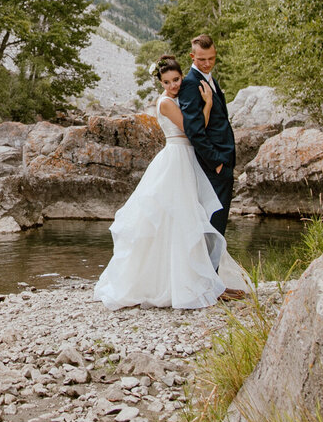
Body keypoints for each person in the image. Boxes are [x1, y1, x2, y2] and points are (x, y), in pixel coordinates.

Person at [93, 55, 251, 310]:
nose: (173, 85)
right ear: (161, 83)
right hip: (177, 158)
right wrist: (208, 104)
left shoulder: (179, 97)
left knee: (188, 218)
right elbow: (192, 128)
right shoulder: (166, 103)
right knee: (175, 218)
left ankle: (196, 277)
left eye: (176, 79)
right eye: (167, 82)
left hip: (188, 158)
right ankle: (171, 282)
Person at [178, 34, 237, 238]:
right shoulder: (189, 84)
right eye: (202, 59)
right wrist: (216, 162)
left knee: (218, 225)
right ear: (192, 56)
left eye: (211, 58)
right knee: (212, 225)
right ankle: (209, 269)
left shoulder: (211, 80)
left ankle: (212, 269)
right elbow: (194, 130)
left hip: (223, 161)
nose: (207, 63)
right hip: (212, 165)